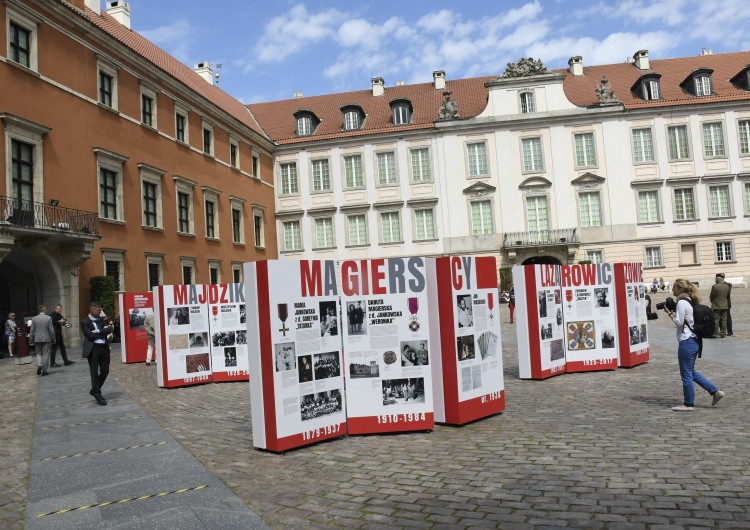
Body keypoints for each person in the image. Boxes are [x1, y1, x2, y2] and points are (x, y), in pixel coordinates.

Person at [663, 279, 724, 411]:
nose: (672, 290)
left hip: (687, 341)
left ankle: (688, 403)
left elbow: (679, 322)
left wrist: (669, 313)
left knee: (686, 373)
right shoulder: (690, 300)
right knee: (690, 371)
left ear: (680, 289)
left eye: (674, 287)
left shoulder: (681, 302)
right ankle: (715, 392)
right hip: (695, 340)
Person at [81, 301, 112, 406]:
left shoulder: (101, 319)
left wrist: (98, 332)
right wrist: (101, 331)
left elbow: (109, 330)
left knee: (105, 370)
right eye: (99, 310)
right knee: (94, 373)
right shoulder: (85, 321)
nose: (101, 311)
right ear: (92, 310)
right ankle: (98, 396)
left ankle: (94, 389)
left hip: (103, 347)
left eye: (101, 309)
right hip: (93, 349)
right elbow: (89, 335)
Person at [29, 305, 55, 376]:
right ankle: (44, 371)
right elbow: (51, 330)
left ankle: (39, 364)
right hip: (47, 338)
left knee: (38, 353)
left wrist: (30, 340)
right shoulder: (48, 318)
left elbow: (32, 331)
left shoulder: (34, 318)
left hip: (37, 338)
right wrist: (53, 338)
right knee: (46, 354)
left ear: (39, 310)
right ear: (45, 310)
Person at [709, 273, 729, 338]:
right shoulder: (727, 286)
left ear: (718, 280)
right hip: (725, 305)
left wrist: (712, 301)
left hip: (717, 305)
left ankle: (715, 333)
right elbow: (727, 296)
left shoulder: (715, 286)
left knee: (716, 319)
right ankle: (723, 333)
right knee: (724, 319)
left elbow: (712, 295)